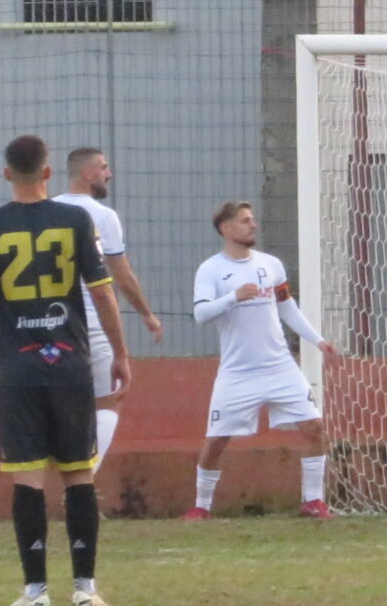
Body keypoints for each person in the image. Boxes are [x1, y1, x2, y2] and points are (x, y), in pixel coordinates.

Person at [0, 136, 126, 606]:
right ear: (48, 173)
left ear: (7, 173)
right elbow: (104, 293)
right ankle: (85, 590)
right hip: (70, 364)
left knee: (27, 478)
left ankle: (34, 592)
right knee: (78, 475)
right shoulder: (75, 219)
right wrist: (121, 353)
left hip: (17, 371)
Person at [187, 200, 343, 520]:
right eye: (245, 221)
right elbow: (201, 313)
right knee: (217, 440)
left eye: (253, 219)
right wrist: (233, 297)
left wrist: (318, 340)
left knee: (314, 426)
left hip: (279, 365)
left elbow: (287, 308)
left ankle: (313, 501)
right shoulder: (211, 269)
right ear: (226, 229)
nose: (253, 225)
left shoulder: (271, 265)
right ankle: (201, 507)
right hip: (237, 371)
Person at [53, 149, 166, 473]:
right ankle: (82, 481)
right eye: (103, 168)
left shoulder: (51, 210)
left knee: (60, 401)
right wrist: (147, 313)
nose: (109, 174)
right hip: (89, 321)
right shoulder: (100, 215)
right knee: (109, 398)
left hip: (49, 322)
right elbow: (121, 275)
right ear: (87, 173)